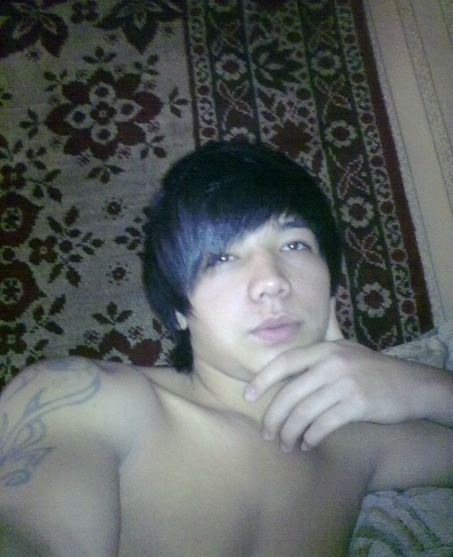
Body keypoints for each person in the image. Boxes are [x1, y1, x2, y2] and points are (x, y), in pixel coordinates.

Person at [0, 141, 452, 556]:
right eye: (221, 257)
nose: (271, 280)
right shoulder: (87, 399)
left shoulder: (356, 443)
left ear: (331, 284)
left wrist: (423, 385)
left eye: (294, 244)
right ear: (177, 307)